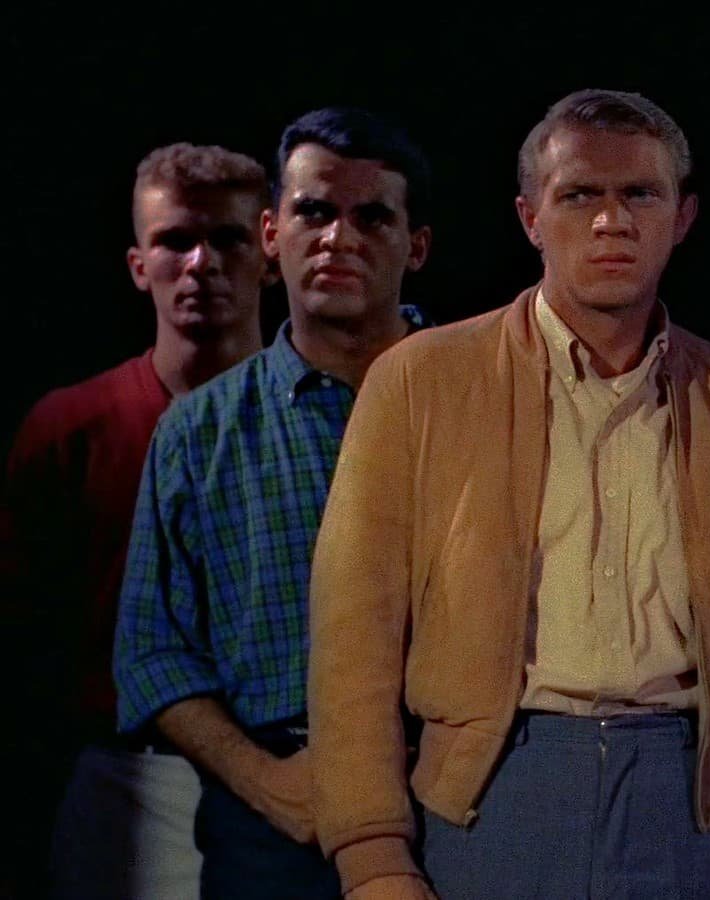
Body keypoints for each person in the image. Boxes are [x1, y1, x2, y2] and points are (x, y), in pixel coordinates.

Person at [307, 88, 710, 900]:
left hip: (689, 805)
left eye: (641, 194)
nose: (611, 221)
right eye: (581, 194)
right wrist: (371, 855)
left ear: (682, 217)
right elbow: (354, 630)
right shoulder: (421, 380)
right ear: (531, 217)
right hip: (490, 793)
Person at [113, 107, 432, 900]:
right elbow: (150, 652)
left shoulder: (486, 401)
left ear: (417, 245)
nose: (338, 238)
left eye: (371, 217)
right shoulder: (197, 432)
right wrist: (268, 784)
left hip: (458, 798)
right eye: (314, 212)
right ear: (270, 233)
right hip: (275, 817)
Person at [1, 141, 271, 899]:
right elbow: (24, 636)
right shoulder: (72, 428)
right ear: (137, 264)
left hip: (290, 764)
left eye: (227, 238)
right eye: (175, 240)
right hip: (128, 771)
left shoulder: (322, 418)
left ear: (269, 254)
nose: (201, 264)